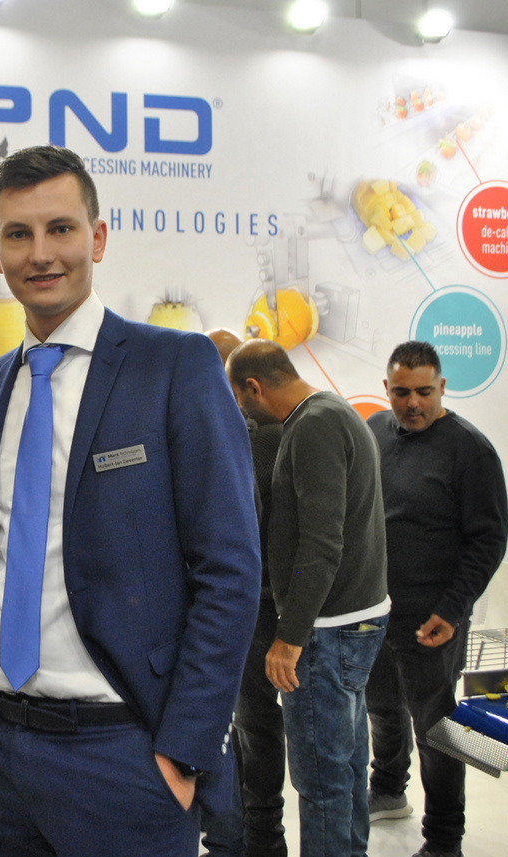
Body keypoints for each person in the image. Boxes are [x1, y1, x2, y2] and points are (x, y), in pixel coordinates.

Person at [0, 145, 260, 857]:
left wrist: (185, 748)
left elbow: (230, 569)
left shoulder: (175, 366)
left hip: (123, 754)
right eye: (19, 234)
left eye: (61, 229)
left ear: (98, 238)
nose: (40, 253)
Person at [224, 338, 389, 857]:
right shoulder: (332, 412)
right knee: (345, 766)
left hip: (326, 630)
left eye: (237, 396)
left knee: (321, 781)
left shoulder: (314, 425)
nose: (238, 409)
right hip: (352, 620)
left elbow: (321, 544)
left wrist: (289, 637)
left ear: (253, 387)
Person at [364, 340, 508, 857]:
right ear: (387, 389)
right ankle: (387, 789)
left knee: (438, 728)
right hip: (375, 610)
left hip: (434, 618)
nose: (413, 404)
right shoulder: (374, 432)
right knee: (381, 706)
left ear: (442, 386)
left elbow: (488, 540)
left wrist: (453, 608)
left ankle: (444, 837)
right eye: (402, 393)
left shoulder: (471, 450)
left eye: (424, 392)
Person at [202, 328, 288, 857]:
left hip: (255, 606)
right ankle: (251, 835)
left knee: (251, 722)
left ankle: (256, 836)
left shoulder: (258, 437)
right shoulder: (264, 432)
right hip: (249, 603)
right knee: (247, 723)